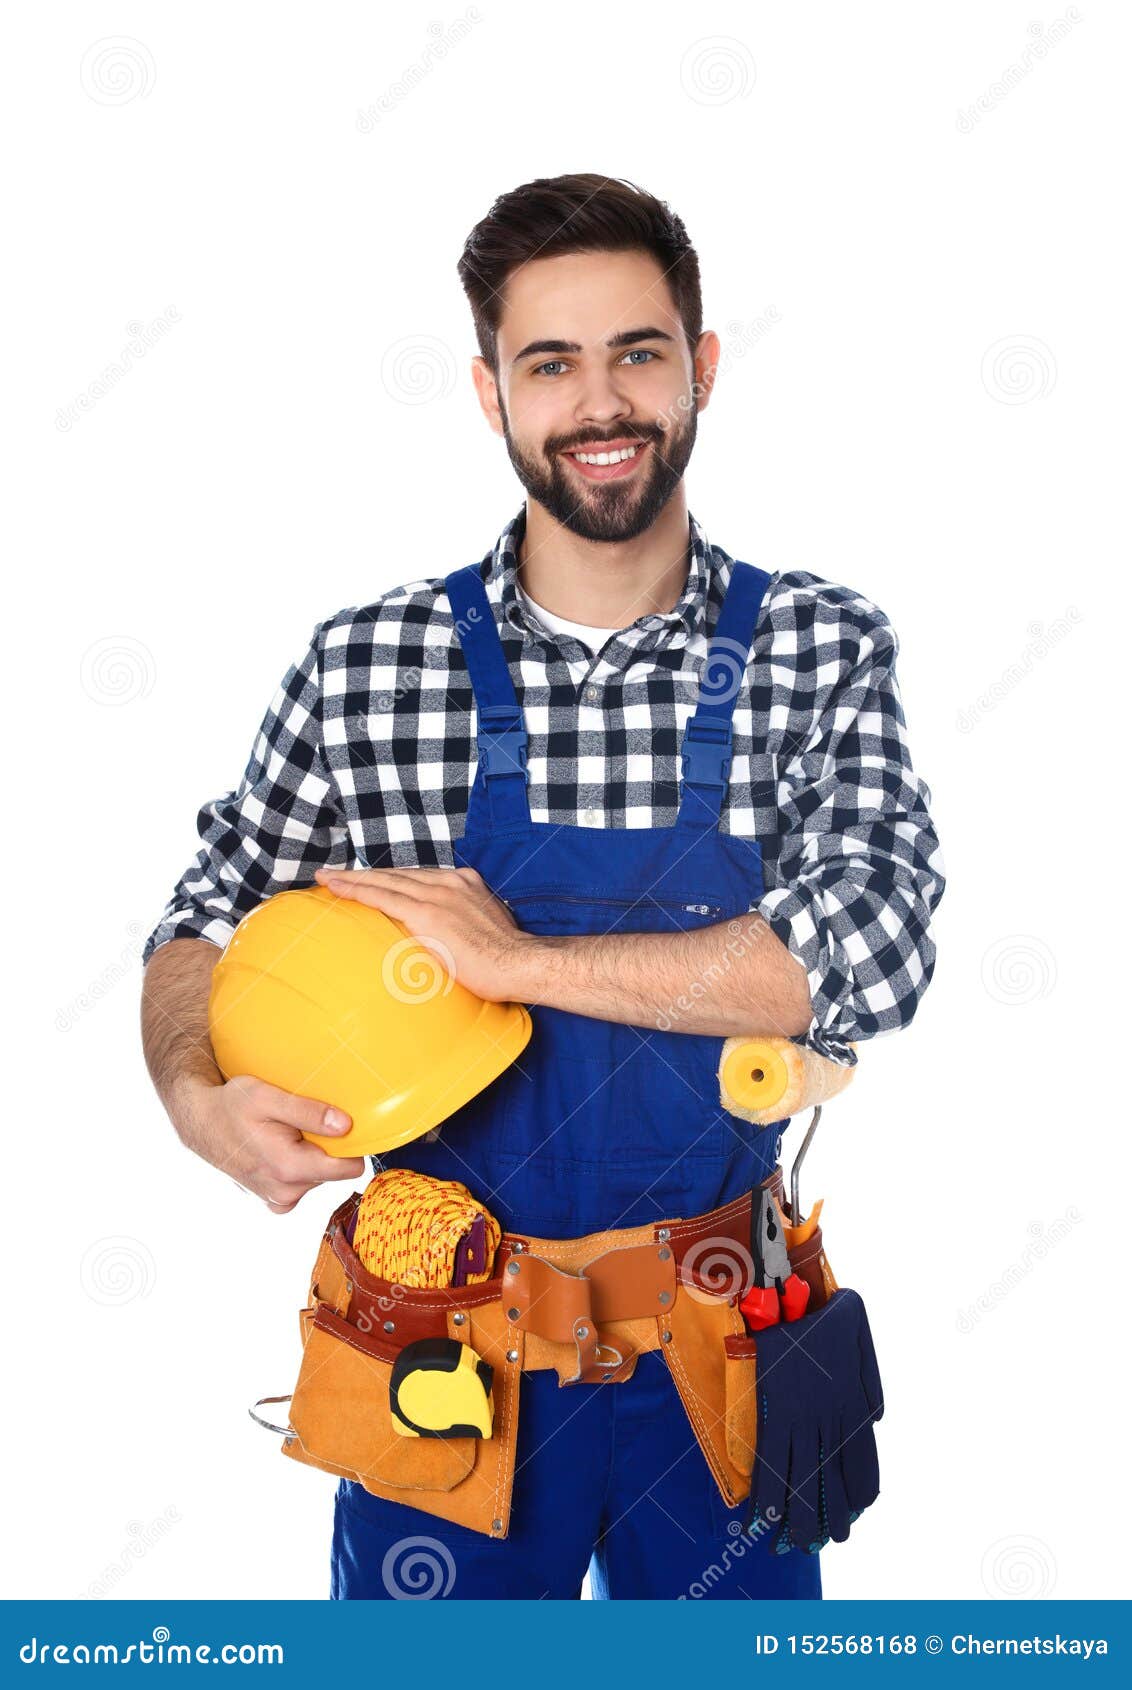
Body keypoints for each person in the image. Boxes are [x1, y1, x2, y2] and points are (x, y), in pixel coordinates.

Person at [140, 173, 947, 1600]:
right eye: (549, 362)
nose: (600, 401)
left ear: (698, 367)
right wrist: (201, 1097)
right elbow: (205, 919)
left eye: (637, 351)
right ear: (488, 392)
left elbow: (870, 954)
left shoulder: (814, 647)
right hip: (440, 1367)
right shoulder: (366, 665)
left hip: (720, 1360)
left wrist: (519, 964)